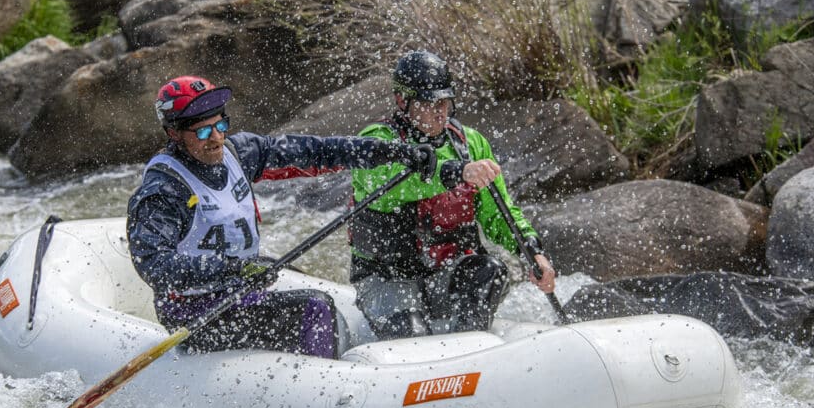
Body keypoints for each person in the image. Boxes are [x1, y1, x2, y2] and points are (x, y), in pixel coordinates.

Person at [127, 75, 435, 359]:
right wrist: (233, 269)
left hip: (240, 295)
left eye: (221, 125)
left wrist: (392, 153)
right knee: (315, 307)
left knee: (308, 286)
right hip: (195, 313)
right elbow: (154, 265)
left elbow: (316, 151)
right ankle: (326, 388)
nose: (216, 138)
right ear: (174, 133)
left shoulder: (240, 153)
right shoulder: (163, 190)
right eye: (203, 132)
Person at [348, 50, 556, 339]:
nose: (439, 111)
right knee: (411, 334)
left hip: (444, 277)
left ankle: (469, 348)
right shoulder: (376, 141)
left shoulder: (471, 144)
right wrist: (456, 172)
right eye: (428, 103)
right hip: (388, 278)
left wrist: (533, 252)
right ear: (402, 100)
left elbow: (498, 214)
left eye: (444, 102)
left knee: (490, 270)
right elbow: (397, 182)